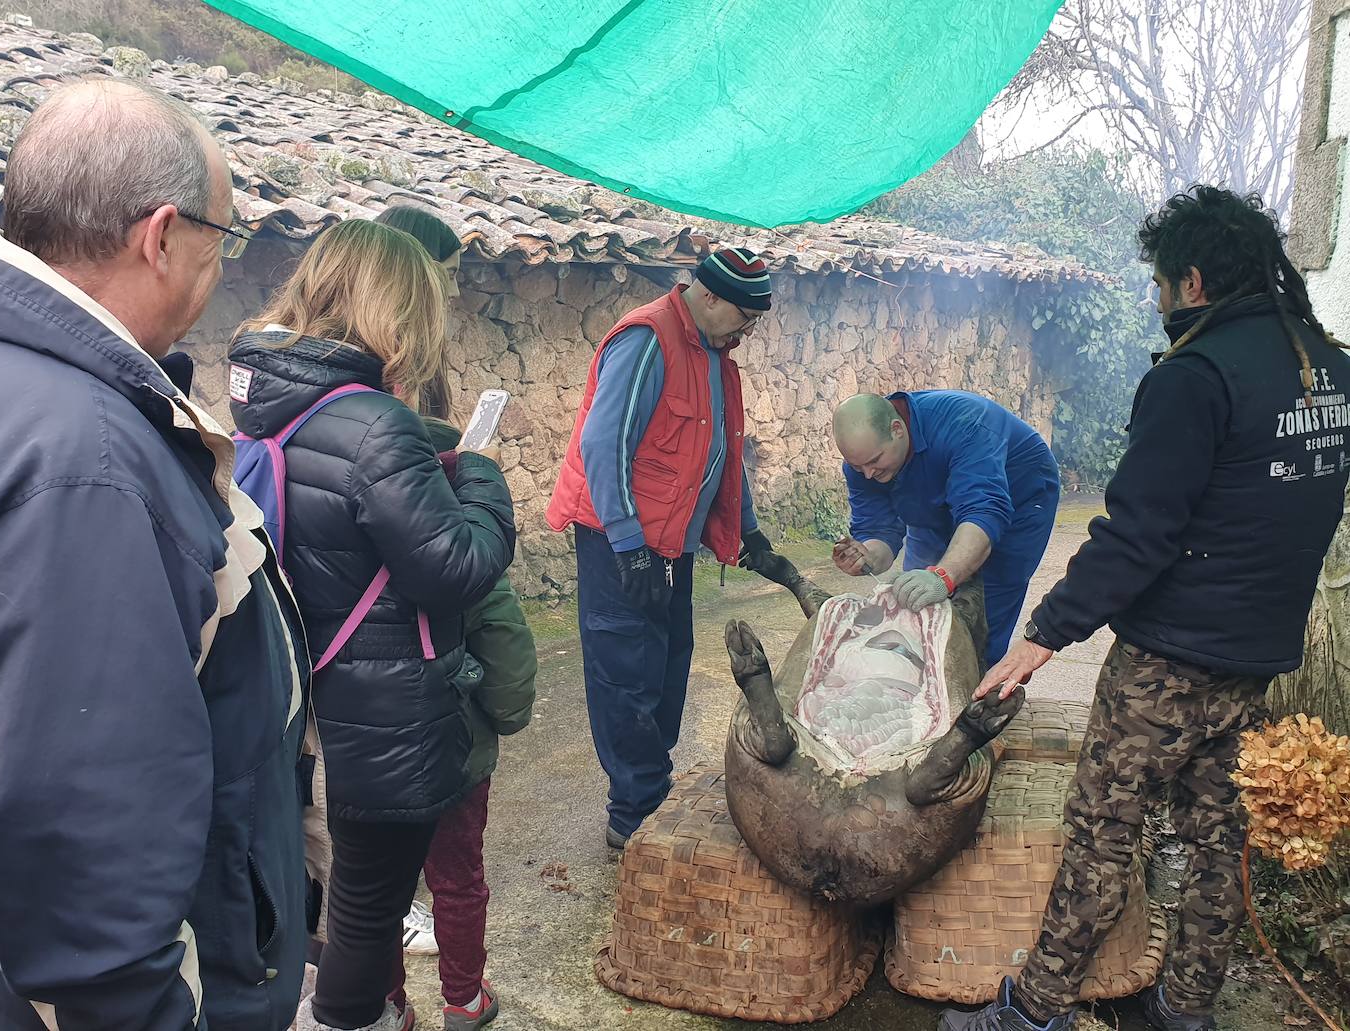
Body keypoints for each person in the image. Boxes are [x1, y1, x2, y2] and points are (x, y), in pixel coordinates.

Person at [942, 186, 1350, 1031]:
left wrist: (1044, 634)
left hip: (1168, 662)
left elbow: (1138, 536)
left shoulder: (1193, 377)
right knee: (1214, 843)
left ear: (1192, 282)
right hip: (1256, 656)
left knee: (1104, 833)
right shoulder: (1332, 370)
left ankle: (1036, 1011)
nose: (1156, 299)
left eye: (1160, 283)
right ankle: (1185, 1010)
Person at [0, 80, 311, 1030]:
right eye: (220, 242)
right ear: (161, 236)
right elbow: (84, 849)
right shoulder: (89, 464)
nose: (217, 270)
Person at [228, 218, 516, 1031]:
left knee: (329, 885)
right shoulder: (375, 423)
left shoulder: (267, 397)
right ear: (395, 306)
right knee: (368, 902)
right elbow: (455, 566)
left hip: (307, 688)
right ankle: (352, 1020)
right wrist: (482, 481)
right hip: (384, 706)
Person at [546, 247, 780, 848]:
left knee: (669, 663)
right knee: (626, 672)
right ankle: (634, 815)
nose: (748, 331)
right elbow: (604, 445)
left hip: (671, 544)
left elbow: (722, 456)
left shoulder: (713, 354)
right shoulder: (647, 339)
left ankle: (652, 787)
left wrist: (746, 528)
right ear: (706, 296)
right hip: (619, 542)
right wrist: (628, 545)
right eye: (744, 317)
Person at [376, 204, 538, 1031]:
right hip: (449, 732)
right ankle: (463, 999)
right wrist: (507, 709)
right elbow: (498, 618)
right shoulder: (448, 511)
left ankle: (388, 1003)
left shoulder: (333, 471)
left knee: (375, 878)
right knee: (457, 871)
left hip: (365, 730)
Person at [832, 391, 1060, 665]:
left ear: (897, 430)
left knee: (984, 611)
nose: (868, 474)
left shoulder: (966, 422)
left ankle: (977, 687)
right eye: (858, 467)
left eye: (874, 461)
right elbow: (879, 531)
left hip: (1018, 498)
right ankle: (923, 690)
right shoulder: (865, 462)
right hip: (934, 506)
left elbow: (983, 511)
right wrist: (866, 557)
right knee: (915, 604)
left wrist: (944, 575)